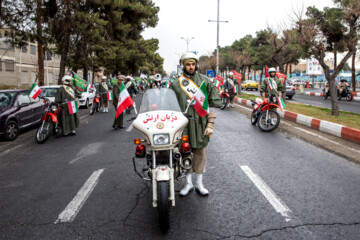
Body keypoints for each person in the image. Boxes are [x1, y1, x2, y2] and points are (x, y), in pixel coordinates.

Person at [170, 52, 222, 196]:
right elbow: (170, 104)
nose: (191, 67)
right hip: (183, 125)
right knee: (185, 153)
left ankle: (199, 183)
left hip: (201, 124)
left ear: (196, 65)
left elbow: (212, 104)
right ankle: (188, 184)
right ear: (183, 66)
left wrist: (210, 124)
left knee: (200, 154)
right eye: (188, 64)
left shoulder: (205, 81)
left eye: (193, 64)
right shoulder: (176, 84)